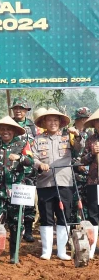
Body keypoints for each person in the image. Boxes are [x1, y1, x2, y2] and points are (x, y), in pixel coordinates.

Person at [0, 116, 34, 263]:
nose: (5, 132)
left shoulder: (23, 144)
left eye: (8, 129)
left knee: (16, 223)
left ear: (14, 131)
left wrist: (19, 158)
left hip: (17, 192)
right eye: (2, 129)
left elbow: (31, 162)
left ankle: (14, 256)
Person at [32, 108, 82, 261]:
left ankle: (61, 250)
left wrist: (78, 136)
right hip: (45, 182)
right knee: (46, 217)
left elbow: (79, 149)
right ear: (44, 123)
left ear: (60, 122)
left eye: (55, 120)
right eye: (49, 120)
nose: (53, 123)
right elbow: (32, 157)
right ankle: (46, 251)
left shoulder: (69, 137)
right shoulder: (37, 139)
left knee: (64, 216)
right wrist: (40, 164)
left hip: (64, 182)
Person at [10, 97, 39, 243]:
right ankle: (14, 231)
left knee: (28, 202)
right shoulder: (8, 124)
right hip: (12, 170)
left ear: (26, 110)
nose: (18, 111)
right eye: (16, 108)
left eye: (21, 108)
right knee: (11, 202)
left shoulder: (33, 127)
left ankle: (28, 231)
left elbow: (37, 147)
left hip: (28, 170)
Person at [80, 107, 99, 259]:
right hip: (94, 181)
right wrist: (92, 153)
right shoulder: (90, 139)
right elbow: (83, 159)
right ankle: (92, 249)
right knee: (93, 214)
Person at [70, 107, 91, 223]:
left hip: (90, 174)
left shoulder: (92, 133)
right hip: (73, 174)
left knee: (89, 203)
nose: (85, 121)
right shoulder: (69, 132)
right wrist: (76, 164)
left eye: (87, 118)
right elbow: (65, 154)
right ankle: (75, 228)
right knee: (75, 202)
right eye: (83, 118)